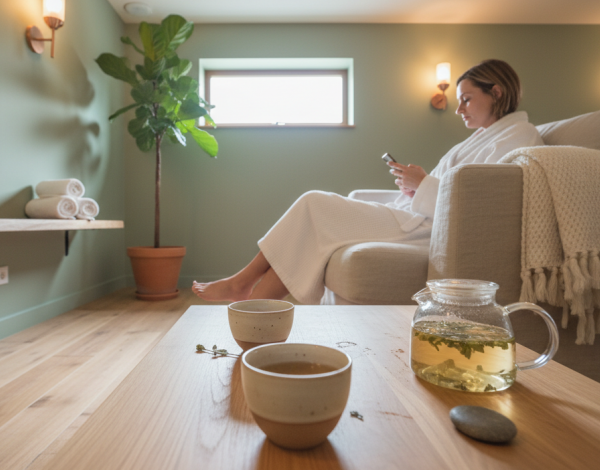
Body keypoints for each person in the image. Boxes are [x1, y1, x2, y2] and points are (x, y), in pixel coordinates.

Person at [192, 59, 544, 304]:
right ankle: (250, 301)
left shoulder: (517, 137)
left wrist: (423, 185)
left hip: (428, 228)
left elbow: (483, 208)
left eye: (467, 99)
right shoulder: (483, 138)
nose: (459, 109)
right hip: (420, 212)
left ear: (496, 92)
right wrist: (414, 185)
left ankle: (242, 285)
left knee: (314, 202)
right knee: (317, 219)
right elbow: (460, 189)